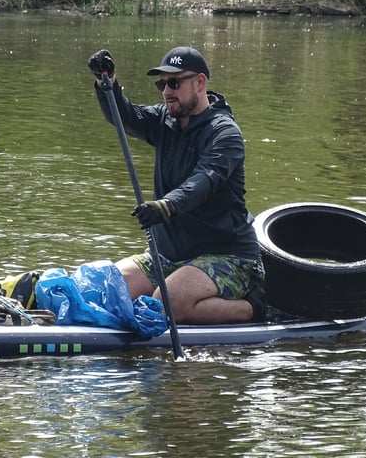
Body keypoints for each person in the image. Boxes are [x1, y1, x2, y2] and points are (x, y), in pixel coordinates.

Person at [87, 46, 266, 325]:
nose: (167, 91)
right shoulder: (164, 120)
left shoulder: (224, 133)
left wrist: (165, 206)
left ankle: (251, 307)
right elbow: (123, 117)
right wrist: (105, 81)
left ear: (200, 82)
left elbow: (203, 181)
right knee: (105, 291)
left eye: (174, 82)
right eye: (162, 84)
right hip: (169, 256)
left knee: (164, 303)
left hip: (229, 257)